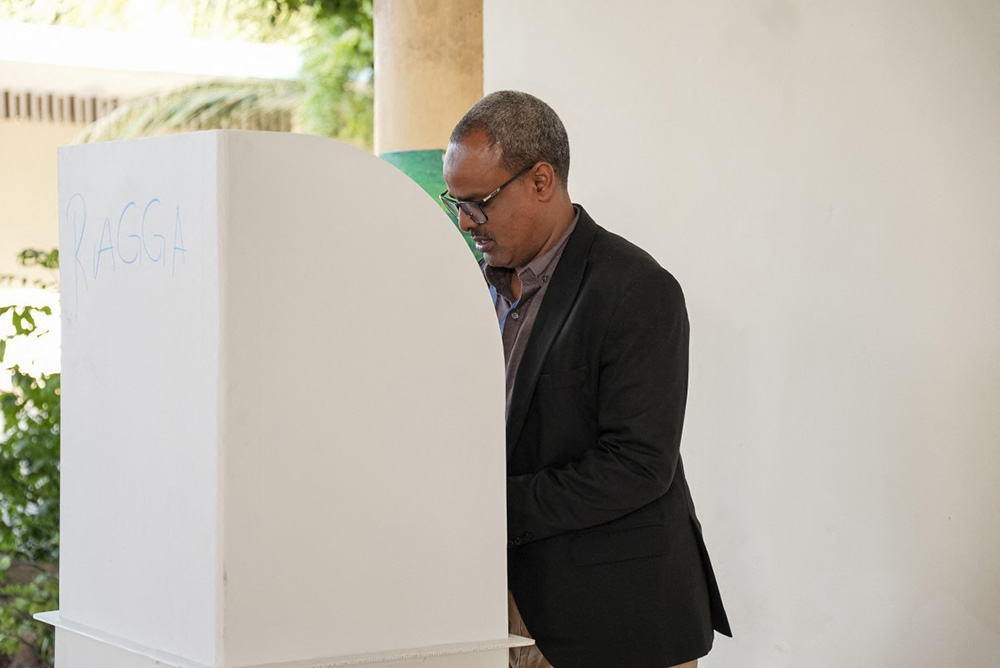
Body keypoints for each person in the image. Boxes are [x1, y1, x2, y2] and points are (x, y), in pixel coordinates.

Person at [441, 91, 731, 668]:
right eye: (456, 202)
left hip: (615, 618)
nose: (466, 221)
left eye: (480, 203)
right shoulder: (465, 287)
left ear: (542, 180)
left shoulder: (637, 290)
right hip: (494, 611)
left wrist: (486, 508)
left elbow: (638, 465)